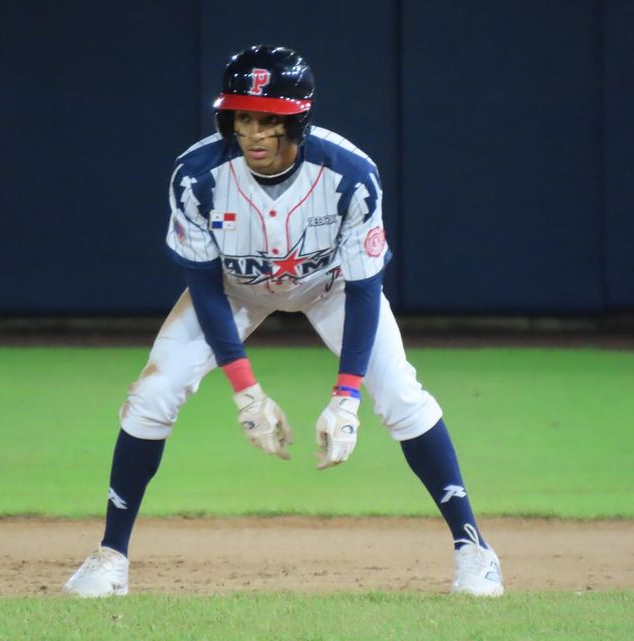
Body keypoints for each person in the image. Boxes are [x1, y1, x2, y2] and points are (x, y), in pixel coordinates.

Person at [64, 44, 504, 598]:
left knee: (400, 394)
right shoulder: (198, 175)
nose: (253, 132)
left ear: (298, 119)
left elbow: (365, 289)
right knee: (154, 393)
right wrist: (246, 391)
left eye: (268, 119)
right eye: (243, 117)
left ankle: (474, 551)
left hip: (333, 287)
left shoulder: (350, 174)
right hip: (233, 288)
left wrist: (346, 397)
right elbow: (203, 285)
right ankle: (110, 558)